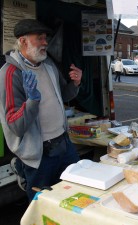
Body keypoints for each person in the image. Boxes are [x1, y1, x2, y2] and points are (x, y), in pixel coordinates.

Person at [0, 19, 82, 201]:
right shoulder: (10, 73)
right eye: (40, 38)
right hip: (40, 154)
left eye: (46, 38)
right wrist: (32, 101)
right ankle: (23, 169)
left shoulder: (48, 65)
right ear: (23, 41)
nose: (45, 42)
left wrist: (75, 83)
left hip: (64, 144)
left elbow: (63, 96)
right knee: (43, 204)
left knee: (76, 193)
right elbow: (15, 125)